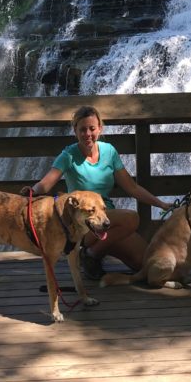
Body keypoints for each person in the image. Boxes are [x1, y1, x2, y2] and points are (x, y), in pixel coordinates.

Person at [21, 105, 171, 279]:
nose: (88, 134)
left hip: (108, 224)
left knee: (147, 263)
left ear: (100, 128)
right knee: (131, 218)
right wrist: (32, 191)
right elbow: (46, 183)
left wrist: (160, 203)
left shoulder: (109, 152)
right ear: (75, 130)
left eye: (92, 128)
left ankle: (94, 254)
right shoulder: (68, 155)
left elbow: (132, 187)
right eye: (82, 129)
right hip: (83, 224)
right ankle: (90, 255)